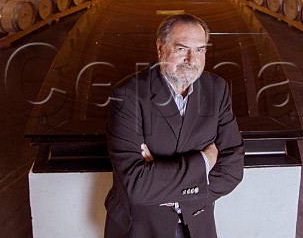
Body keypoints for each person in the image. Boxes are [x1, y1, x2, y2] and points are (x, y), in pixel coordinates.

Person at [104, 13, 244, 238]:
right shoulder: (128, 95)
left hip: (197, 224)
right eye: (181, 49)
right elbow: (136, 185)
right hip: (141, 227)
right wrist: (205, 161)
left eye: (200, 50)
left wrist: (162, 182)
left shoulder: (217, 89)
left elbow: (233, 169)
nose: (192, 59)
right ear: (160, 48)